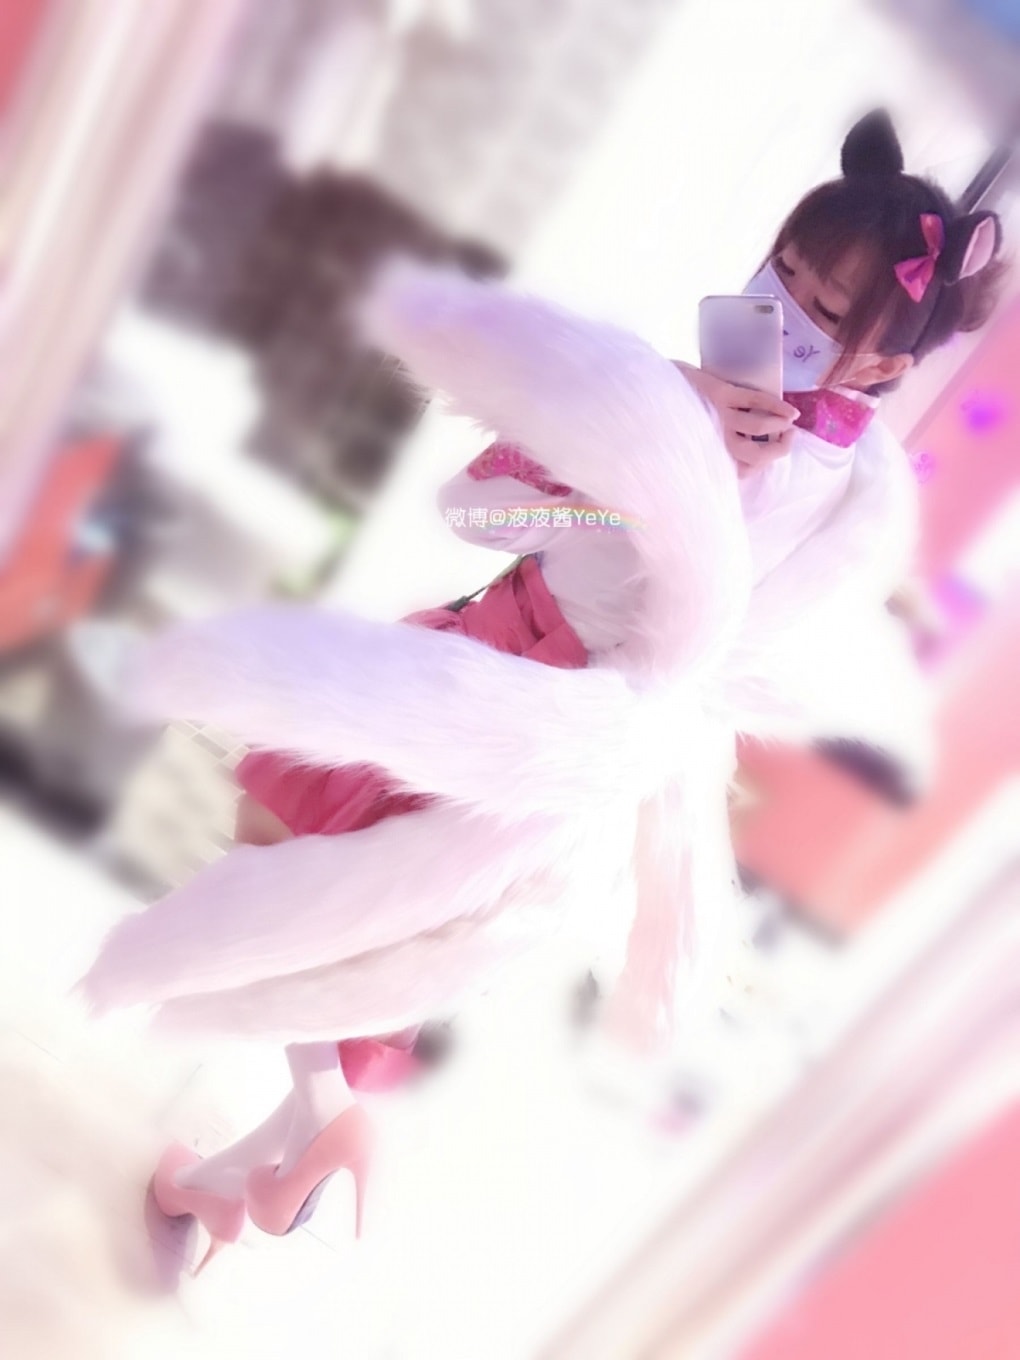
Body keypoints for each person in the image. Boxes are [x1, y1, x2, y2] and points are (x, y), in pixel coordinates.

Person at [79, 110, 1006, 1270]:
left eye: (822, 309)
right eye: (785, 269)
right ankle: (226, 1191)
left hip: (519, 682)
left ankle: (327, 1122)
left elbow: (494, 513)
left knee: (296, 837)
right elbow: (680, 622)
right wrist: (656, 415)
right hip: (563, 726)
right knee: (377, 938)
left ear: (883, 365)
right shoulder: (819, 476)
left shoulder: (723, 442)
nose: (780, 308)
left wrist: (648, 431)